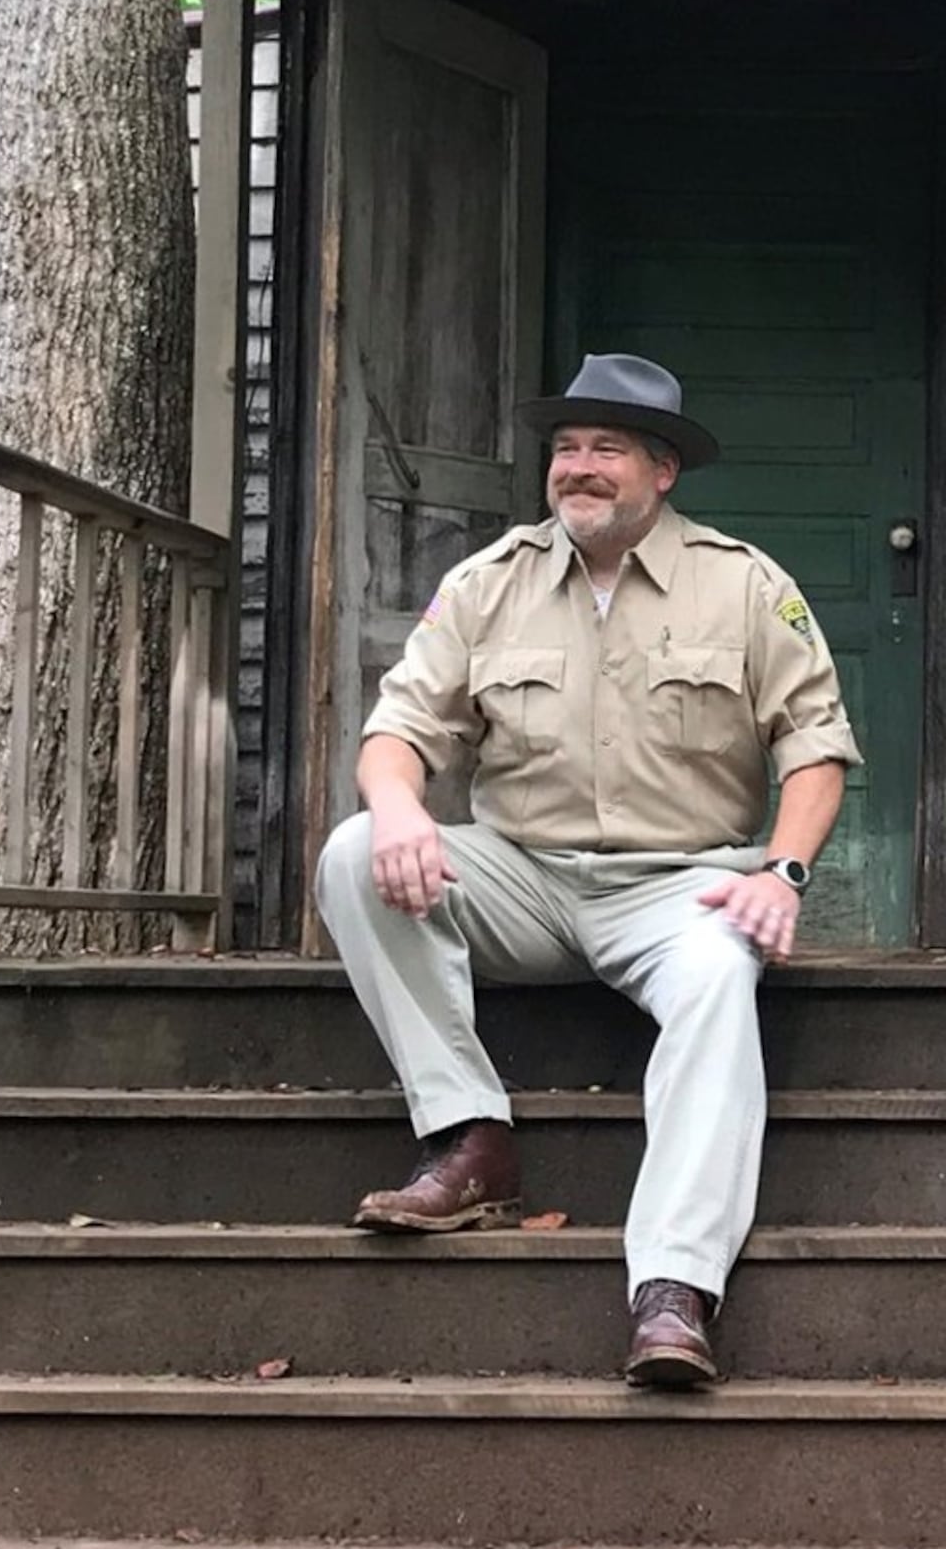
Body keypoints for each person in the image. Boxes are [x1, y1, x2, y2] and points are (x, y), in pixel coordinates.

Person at [315, 352, 858, 1390]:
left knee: (716, 978)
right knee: (351, 852)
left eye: (606, 447)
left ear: (663, 471)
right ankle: (470, 1140)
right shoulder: (487, 584)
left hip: (679, 886)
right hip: (522, 876)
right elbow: (398, 732)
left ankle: (673, 1291)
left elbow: (816, 749)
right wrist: (395, 808)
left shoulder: (745, 586)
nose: (579, 467)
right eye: (566, 448)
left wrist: (780, 872)